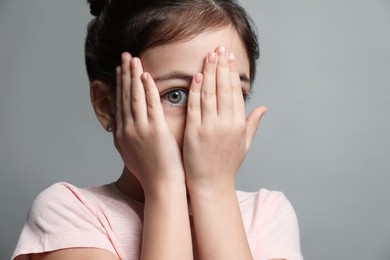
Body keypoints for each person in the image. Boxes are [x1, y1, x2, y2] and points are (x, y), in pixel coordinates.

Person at [13, 0, 304, 259]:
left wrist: (213, 191)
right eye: (176, 94)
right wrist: (165, 188)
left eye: (228, 94)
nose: (206, 123)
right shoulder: (68, 214)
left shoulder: (267, 214)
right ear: (106, 105)